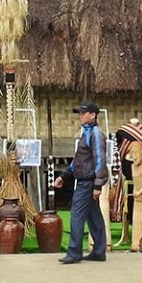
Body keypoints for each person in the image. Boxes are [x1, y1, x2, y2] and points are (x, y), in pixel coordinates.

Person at [54, 101, 109, 264]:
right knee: (94, 216)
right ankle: (99, 251)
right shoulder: (86, 133)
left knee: (76, 215)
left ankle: (74, 252)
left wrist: (98, 184)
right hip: (85, 179)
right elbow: (79, 160)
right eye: (79, 113)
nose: (80, 116)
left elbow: (100, 160)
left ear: (93, 115)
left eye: (83, 113)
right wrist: (64, 176)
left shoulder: (96, 134)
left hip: (88, 182)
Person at [124, 143, 142, 252]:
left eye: (136, 152)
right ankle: (136, 242)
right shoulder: (132, 167)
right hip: (137, 198)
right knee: (136, 220)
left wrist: (140, 191)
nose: (134, 156)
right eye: (132, 153)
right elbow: (135, 183)